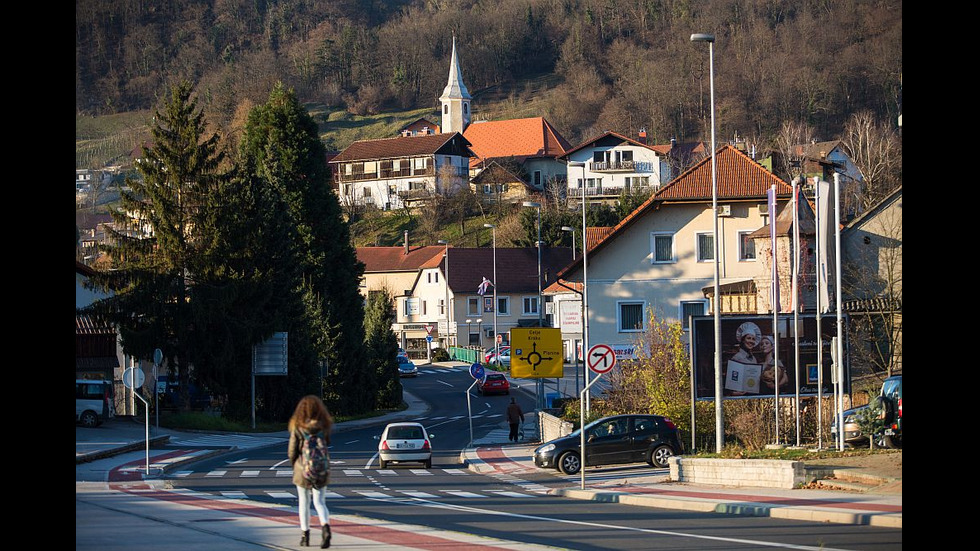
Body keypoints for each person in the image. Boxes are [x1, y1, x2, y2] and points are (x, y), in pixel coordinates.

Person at [288, 395, 334, 548]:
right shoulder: (324, 426)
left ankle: (305, 536)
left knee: (304, 502)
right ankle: (326, 528)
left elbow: (292, 451)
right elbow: (326, 444)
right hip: (321, 469)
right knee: (320, 502)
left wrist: (294, 464)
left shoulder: (298, 427)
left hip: (302, 469)